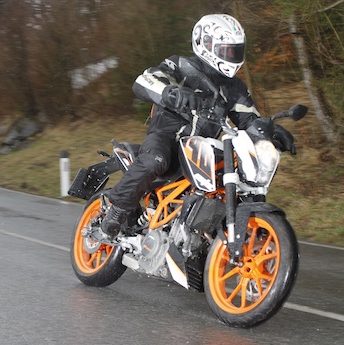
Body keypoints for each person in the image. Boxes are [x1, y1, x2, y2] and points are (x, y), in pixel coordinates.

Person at [100, 14, 261, 241]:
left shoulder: (234, 88)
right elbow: (145, 80)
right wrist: (170, 92)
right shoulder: (181, 66)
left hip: (201, 149)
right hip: (166, 136)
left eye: (236, 51)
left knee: (231, 179)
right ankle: (116, 208)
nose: (233, 57)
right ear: (206, 45)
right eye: (228, 51)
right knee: (155, 159)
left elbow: (250, 120)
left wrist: (270, 132)